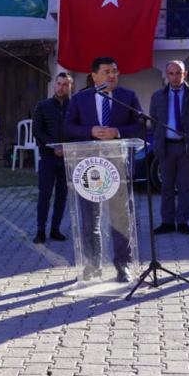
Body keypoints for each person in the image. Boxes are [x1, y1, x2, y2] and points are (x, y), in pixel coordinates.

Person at [64, 57, 145, 282]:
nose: (112, 75)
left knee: (120, 218)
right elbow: (68, 127)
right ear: (94, 76)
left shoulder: (127, 97)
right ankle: (92, 264)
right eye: (107, 71)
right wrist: (90, 131)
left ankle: (123, 264)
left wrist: (117, 132)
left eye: (115, 71)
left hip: (117, 166)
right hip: (88, 167)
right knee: (90, 219)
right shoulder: (80, 99)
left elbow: (140, 125)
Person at [149, 61, 189, 235]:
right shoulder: (158, 96)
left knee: (185, 187)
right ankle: (167, 222)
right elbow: (153, 121)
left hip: (187, 148)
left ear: (185, 74)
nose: (175, 77)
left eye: (179, 73)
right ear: (166, 75)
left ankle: (183, 222)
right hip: (166, 147)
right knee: (166, 187)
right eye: (171, 73)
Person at [32, 73, 72, 244]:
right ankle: (40, 231)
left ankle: (55, 229)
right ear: (54, 85)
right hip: (48, 157)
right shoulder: (43, 105)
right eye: (59, 83)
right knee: (45, 194)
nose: (61, 87)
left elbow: (77, 129)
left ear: (70, 87)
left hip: (67, 158)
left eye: (65, 84)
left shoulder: (74, 107)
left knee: (62, 195)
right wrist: (53, 146)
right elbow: (37, 130)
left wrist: (66, 148)